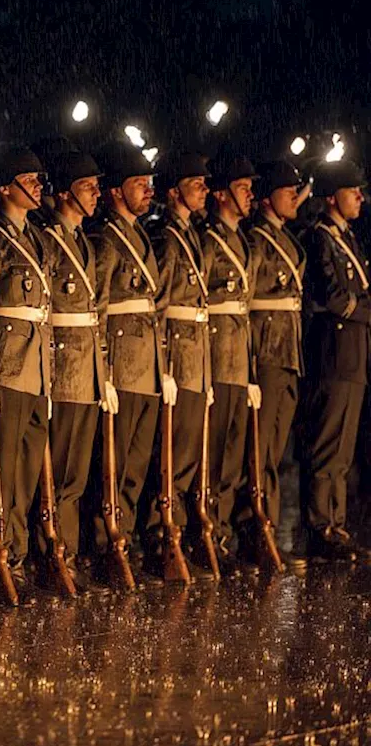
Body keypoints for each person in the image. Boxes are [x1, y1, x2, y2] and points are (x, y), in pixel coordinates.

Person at [90, 143, 173, 575]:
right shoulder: (105, 238)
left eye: (149, 183)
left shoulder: (139, 233)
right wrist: (102, 370)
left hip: (147, 364)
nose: (147, 191)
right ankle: (107, 541)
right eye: (138, 183)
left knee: (137, 463)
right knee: (115, 462)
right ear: (116, 192)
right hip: (122, 361)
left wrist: (165, 367)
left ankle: (126, 535)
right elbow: (99, 307)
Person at [0, 144, 53, 592]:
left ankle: (18, 553)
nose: (39, 186)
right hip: (8, 365)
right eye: (30, 180)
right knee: (1, 470)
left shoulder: (36, 237)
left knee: (26, 470)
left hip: (38, 366)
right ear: (5, 188)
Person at [38, 151, 113, 589]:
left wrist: (102, 371)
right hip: (62, 365)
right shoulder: (50, 240)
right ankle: (54, 551)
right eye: (88, 187)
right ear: (65, 192)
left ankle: (66, 550)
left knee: (78, 472)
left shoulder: (84, 240)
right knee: (60, 469)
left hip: (86, 367)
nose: (96, 194)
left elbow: (95, 310)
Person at [299, 160, 371, 561]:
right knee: (328, 444)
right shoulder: (321, 239)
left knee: (343, 449)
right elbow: (336, 298)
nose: (359, 197)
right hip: (333, 355)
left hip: (353, 356)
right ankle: (320, 527)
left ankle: (335, 522)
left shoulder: (348, 238)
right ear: (332, 197)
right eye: (352, 190)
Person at [146, 152, 214, 570]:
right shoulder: (168, 238)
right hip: (178, 352)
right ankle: (160, 536)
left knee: (188, 454)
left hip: (197, 354)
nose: (204, 190)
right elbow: (159, 306)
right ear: (175, 192)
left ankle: (177, 534)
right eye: (196, 184)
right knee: (171, 455)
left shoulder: (190, 234)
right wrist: (165, 365)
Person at [200, 156, 262, 570]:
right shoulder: (208, 241)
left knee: (235, 456)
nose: (250, 195)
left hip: (239, 358)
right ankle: (208, 535)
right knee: (216, 453)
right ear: (221, 194)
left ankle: (221, 534)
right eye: (242, 188)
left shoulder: (244, 241)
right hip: (217, 357)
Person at [246, 160, 308, 569]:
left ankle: (266, 529)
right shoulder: (256, 241)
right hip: (266, 350)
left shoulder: (285, 238)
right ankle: (257, 529)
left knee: (276, 450)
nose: (296, 198)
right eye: (289, 192)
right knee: (261, 449)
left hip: (288, 351)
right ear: (268, 198)